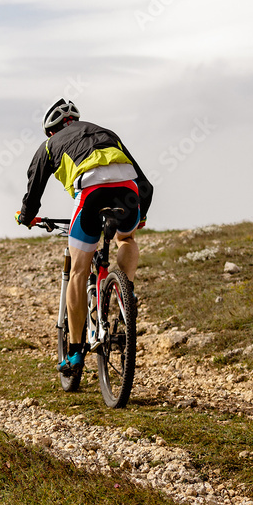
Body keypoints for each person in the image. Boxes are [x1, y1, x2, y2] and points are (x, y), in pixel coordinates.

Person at [16, 98, 153, 374]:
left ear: (51, 130)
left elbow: (35, 185)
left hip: (92, 194)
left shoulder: (50, 145)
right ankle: (125, 293)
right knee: (126, 240)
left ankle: (76, 353)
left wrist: (26, 215)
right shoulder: (107, 134)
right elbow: (145, 183)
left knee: (79, 272)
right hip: (127, 191)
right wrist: (142, 215)